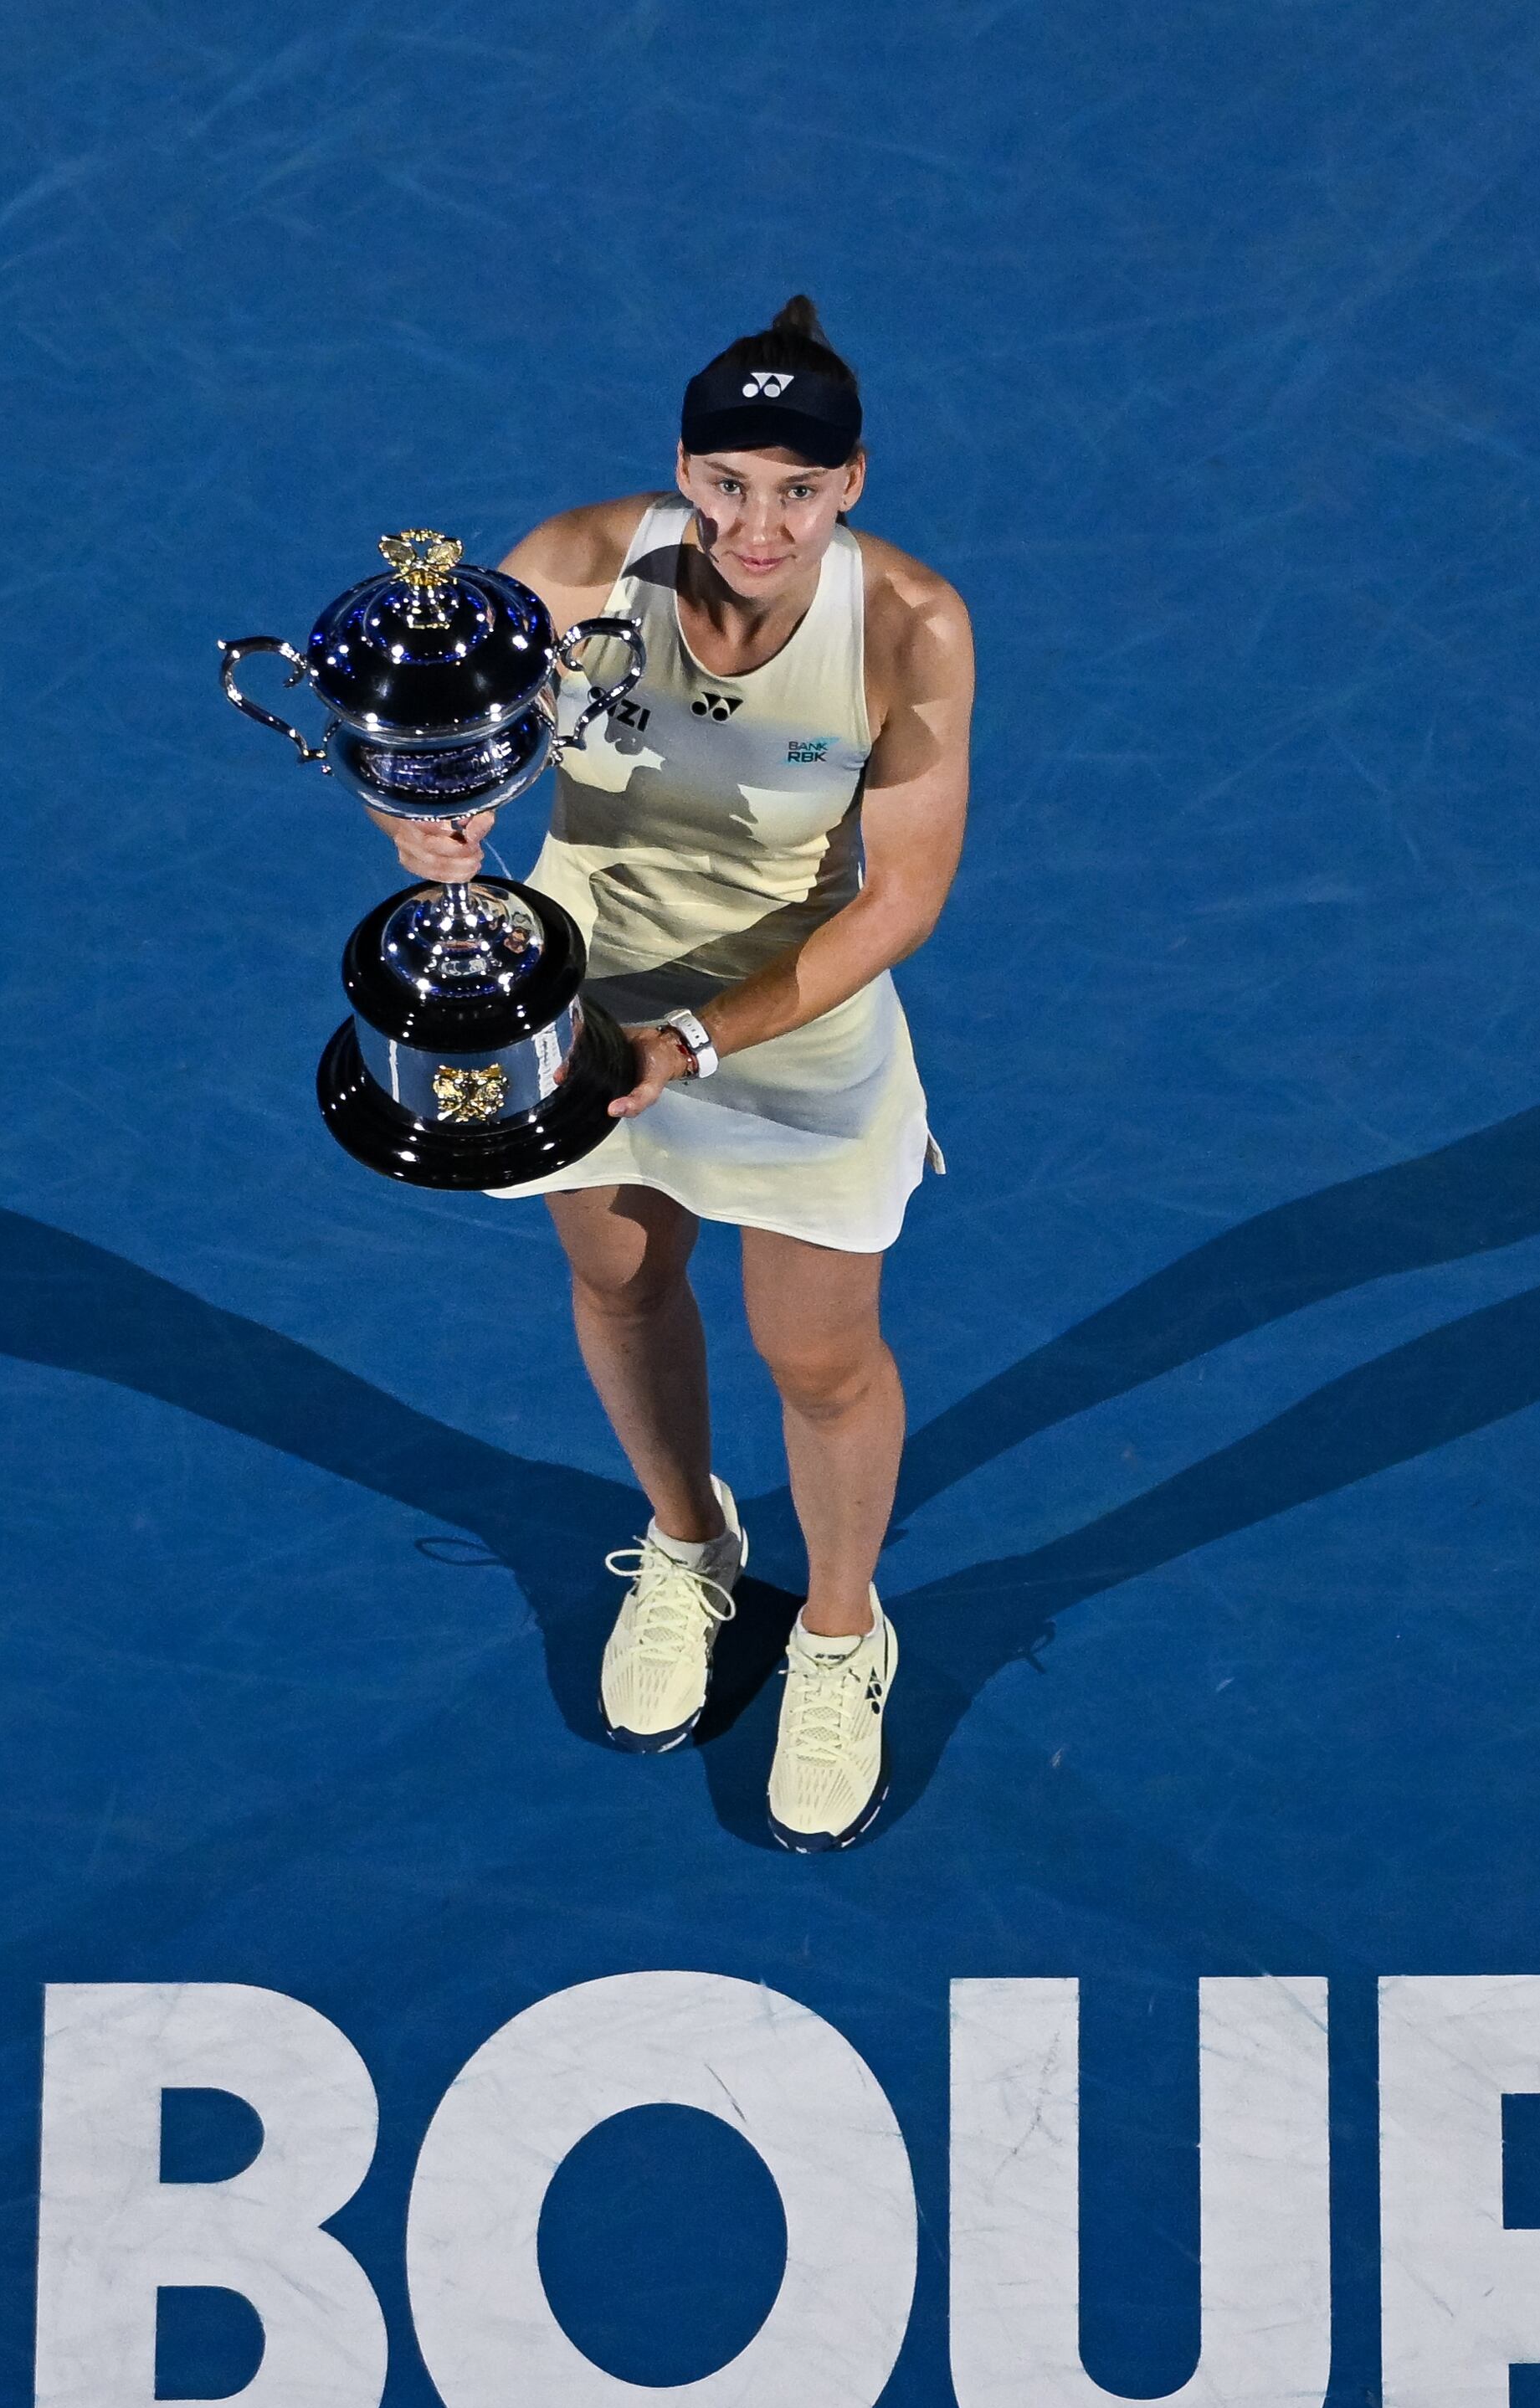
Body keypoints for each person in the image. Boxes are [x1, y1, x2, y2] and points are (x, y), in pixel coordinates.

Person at [372, 297, 977, 1850]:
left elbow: (899, 900)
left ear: (852, 484)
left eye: (796, 488)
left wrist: (701, 1040)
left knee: (817, 1356)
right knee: (623, 1276)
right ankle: (692, 1541)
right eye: (725, 480)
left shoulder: (910, 626)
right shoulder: (574, 563)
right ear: (683, 469)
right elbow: (442, 728)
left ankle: (837, 1634)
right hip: (581, 1000)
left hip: (787, 1024)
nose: (754, 522)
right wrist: (426, 825)